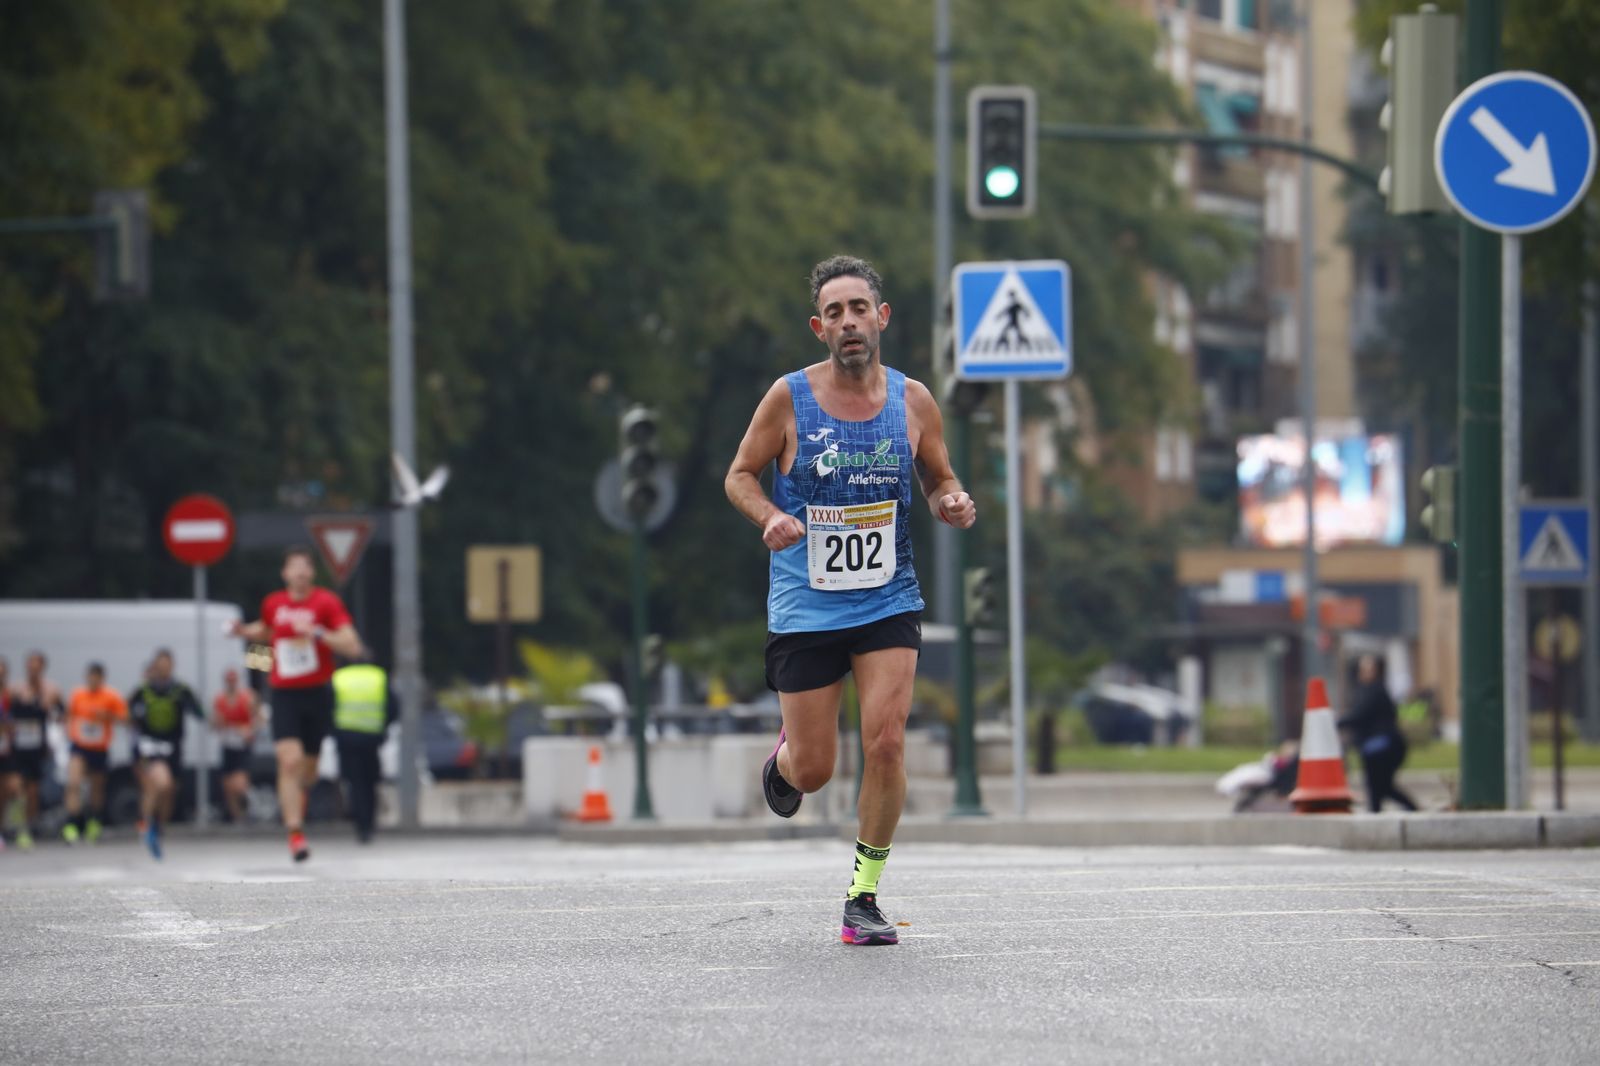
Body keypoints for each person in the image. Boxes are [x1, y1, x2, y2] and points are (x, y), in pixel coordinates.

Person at [724, 255, 976, 945]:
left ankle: (863, 896)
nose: (849, 322)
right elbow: (740, 475)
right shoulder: (788, 398)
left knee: (886, 742)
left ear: (881, 317)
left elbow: (940, 477)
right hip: (806, 603)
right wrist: (769, 516)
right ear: (820, 328)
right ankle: (786, 758)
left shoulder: (913, 401)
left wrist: (951, 500)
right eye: (834, 313)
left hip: (887, 597)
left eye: (859, 308)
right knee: (814, 770)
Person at [229, 545, 363, 862]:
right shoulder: (273, 603)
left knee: (309, 771)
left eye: (306, 567)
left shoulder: (326, 602)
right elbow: (265, 631)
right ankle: (295, 835)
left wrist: (318, 633)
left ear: (312, 573)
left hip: (317, 692)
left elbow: (352, 646)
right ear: (285, 573)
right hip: (284, 692)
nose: (300, 573)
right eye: (295, 567)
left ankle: (298, 798)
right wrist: (244, 632)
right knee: (289, 761)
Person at [127, 649, 204, 859]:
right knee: (158, 784)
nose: (163, 669)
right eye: (159, 665)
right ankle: (146, 825)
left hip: (172, 749)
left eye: (166, 664)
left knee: (168, 790)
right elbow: (127, 715)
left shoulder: (180, 690)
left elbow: (199, 712)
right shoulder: (143, 691)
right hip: (148, 749)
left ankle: (157, 825)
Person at [1339, 653, 1419, 813]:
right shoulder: (1366, 690)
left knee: (1379, 786)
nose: (1363, 672)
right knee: (1381, 787)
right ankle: (1405, 811)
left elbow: (1360, 715)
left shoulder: (1374, 691)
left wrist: (1338, 722)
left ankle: (1397, 811)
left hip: (1382, 747)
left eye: (1368, 669)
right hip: (1378, 747)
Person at [63, 662, 129, 844]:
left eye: (96, 678)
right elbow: (69, 716)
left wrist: (107, 716)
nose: (92, 681)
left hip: (99, 748)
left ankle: (94, 821)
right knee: (73, 783)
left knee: (96, 788)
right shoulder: (78, 694)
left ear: (102, 679)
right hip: (80, 745)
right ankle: (72, 823)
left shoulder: (111, 696)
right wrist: (68, 733)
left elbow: (125, 718)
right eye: (90, 677)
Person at [331, 656, 395, 844]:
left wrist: (334, 731)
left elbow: (327, 706)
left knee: (354, 782)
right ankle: (369, 824)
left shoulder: (339, 677)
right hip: (371, 738)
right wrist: (382, 727)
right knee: (370, 782)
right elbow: (393, 707)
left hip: (346, 738)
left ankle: (360, 824)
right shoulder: (378, 676)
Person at [6, 652, 62, 849]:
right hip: (17, 747)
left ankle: (28, 827)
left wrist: (53, 717)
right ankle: (16, 825)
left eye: (37, 667)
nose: (33, 670)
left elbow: (62, 714)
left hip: (37, 748)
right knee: (16, 787)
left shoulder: (51, 690)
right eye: (30, 666)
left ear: (42, 668)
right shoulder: (16, 689)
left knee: (33, 791)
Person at [214, 667, 260, 825]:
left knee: (240, 783)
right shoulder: (220, 700)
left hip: (243, 745)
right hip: (228, 745)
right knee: (227, 784)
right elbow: (215, 723)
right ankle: (237, 817)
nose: (231, 683)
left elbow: (260, 719)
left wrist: (249, 730)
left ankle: (252, 807)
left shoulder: (248, 697)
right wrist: (219, 725)